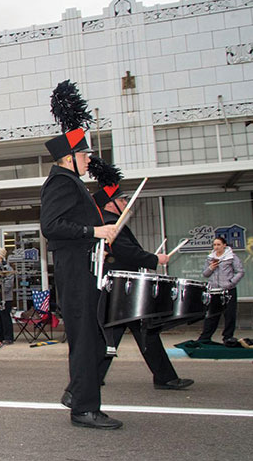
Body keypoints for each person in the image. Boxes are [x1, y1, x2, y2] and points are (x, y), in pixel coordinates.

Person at [69, 158, 191, 397]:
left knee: (137, 334)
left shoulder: (113, 222)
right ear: (111, 204)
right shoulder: (109, 224)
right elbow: (127, 252)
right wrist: (155, 260)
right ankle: (83, 384)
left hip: (125, 290)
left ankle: (163, 377)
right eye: (122, 199)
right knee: (112, 339)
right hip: (120, 291)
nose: (125, 202)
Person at [40, 81, 120, 430]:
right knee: (86, 341)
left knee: (93, 339)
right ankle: (84, 409)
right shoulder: (61, 181)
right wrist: (94, 232)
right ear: (69, 157)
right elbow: (51, 225)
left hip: (84, 271)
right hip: (75, 273)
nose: (90, 160)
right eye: (85, 155)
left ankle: (78, 394)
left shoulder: (73, 183)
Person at [199, 236, 245, 344]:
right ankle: (205, 337)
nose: (216, 247)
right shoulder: (210, 258)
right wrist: (211, 268)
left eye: (218, 244)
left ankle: (228, 337)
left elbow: (240, 271)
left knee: (229, 314)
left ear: (224, 245)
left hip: (228, 289)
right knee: (211, 314)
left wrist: (231, 282)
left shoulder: (232, 257)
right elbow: (205, 274)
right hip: (214, 290)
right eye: (214, 245)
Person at [0, 248, 16, 344]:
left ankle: (8, 337)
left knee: (5, 316)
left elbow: (9, 284)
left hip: (6, 297)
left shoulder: (8, 268)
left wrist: (1, 291)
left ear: (0, 256)